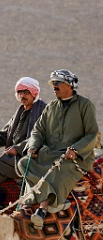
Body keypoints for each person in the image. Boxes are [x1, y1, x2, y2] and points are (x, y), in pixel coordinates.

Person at [18, 69, 98, 229]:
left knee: (58, 170)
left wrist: (75, 149)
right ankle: (46, 198)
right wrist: (33, 145)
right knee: (23, 163)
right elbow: (38, 130)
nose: (54, 86)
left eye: (57, 83)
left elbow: (92, 134)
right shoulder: (51, 107)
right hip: (51, 153)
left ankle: (44, 207)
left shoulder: (85, 105)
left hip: (74, 157)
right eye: (52, 83)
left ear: (69, 85)